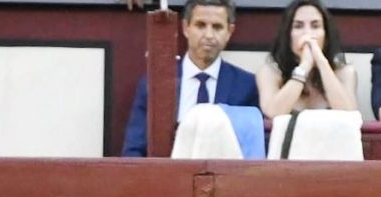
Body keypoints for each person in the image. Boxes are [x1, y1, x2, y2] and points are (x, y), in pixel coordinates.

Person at [122, 0, 259, 156]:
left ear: (229, 32)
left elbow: (251, 152)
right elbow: (134, 150)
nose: (209, 35)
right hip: (166, 176)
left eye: (217, 27)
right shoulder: (153, 84)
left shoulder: (246, 86)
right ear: (186, 28)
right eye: (200, 25)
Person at [256, 0, 357, 118]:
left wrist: (321, 62)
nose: (307, 33)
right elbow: (272, 112)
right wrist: (304, 66)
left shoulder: (345, 73)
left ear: (326, 35)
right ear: (288, 35)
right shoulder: (270, 73)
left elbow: (349, 114)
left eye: (315, 26)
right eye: (298, 26)